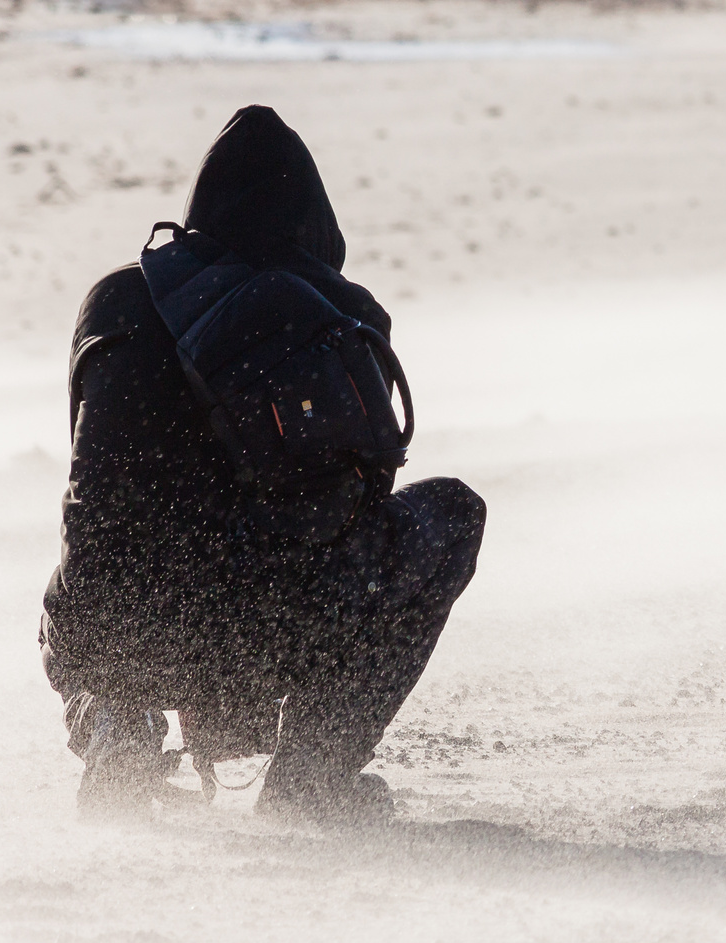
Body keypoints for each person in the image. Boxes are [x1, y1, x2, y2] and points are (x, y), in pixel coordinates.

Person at [39, 106, 484, 826]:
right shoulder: (342, 313)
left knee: (94, 562)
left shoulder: (118, 300)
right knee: (455, 512)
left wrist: (103, 636)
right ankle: (311, 778)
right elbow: (357, 504)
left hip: (118, 629)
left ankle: (113, 725)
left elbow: (95, 493)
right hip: (274, 632)